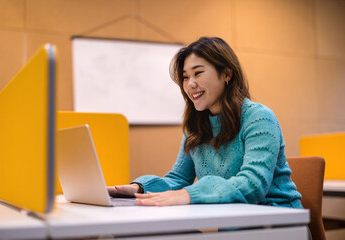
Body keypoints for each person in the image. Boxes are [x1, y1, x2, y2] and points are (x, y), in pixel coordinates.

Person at [108, 36, 303, 209]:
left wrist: (190, 193)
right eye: (185, 77)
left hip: (280, 221)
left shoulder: (259, 118)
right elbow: (179, 178)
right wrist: (138, 188)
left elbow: (253, 185)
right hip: (236, 224)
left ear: (227, 74)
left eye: (198, 73)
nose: (190, 84)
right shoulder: (197, 126)